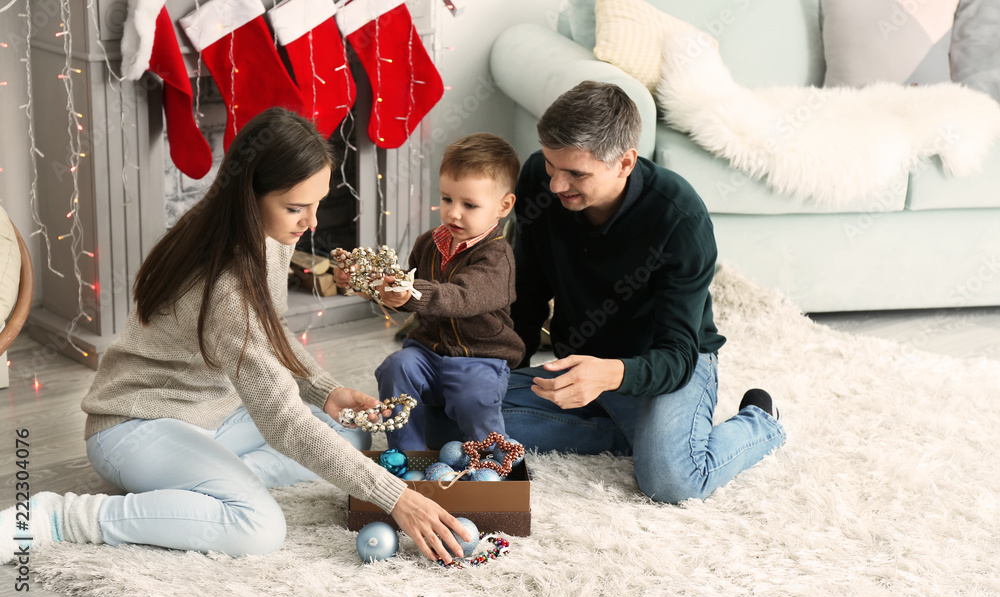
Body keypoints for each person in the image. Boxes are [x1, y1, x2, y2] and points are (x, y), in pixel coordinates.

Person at [0, 108, 470, 565]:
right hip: (136, 425)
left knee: (349, 436)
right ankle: (60, 518)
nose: (310, 223)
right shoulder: (223, 283)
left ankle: (203, 484)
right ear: (251, 195)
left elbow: (271, 332)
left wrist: (326, 391)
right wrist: (397, 499)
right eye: (295, 208)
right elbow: (282, 421)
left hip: (215, 415)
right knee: (258, 527)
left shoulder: (265, 234)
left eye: (318, 204)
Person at [502, 81, 786, 503]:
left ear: (625, 163)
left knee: (673, 481)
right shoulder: (536, 181)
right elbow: (525, 295)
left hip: (666, 364)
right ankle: (637, 433)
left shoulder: (680, 218)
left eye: (576, 173)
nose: (556, 185)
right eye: (550, 165)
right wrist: (502, 377)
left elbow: (679, 354)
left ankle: (760, 421)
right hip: (584, 360)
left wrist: (611, 373)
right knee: (459, 413)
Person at [336, 133, 525, 451]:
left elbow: (461, 297)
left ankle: (492, 457)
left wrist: (410, 292)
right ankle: (407, 453)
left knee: (472, 396)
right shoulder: (429, 243)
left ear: (503, 206)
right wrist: (373, 287)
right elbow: (409, 302)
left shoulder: (497, 257)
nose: (454, 213)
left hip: (479, 358)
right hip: (428, 353)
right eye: (447, 199)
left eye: (469, 205)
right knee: (396, 367)